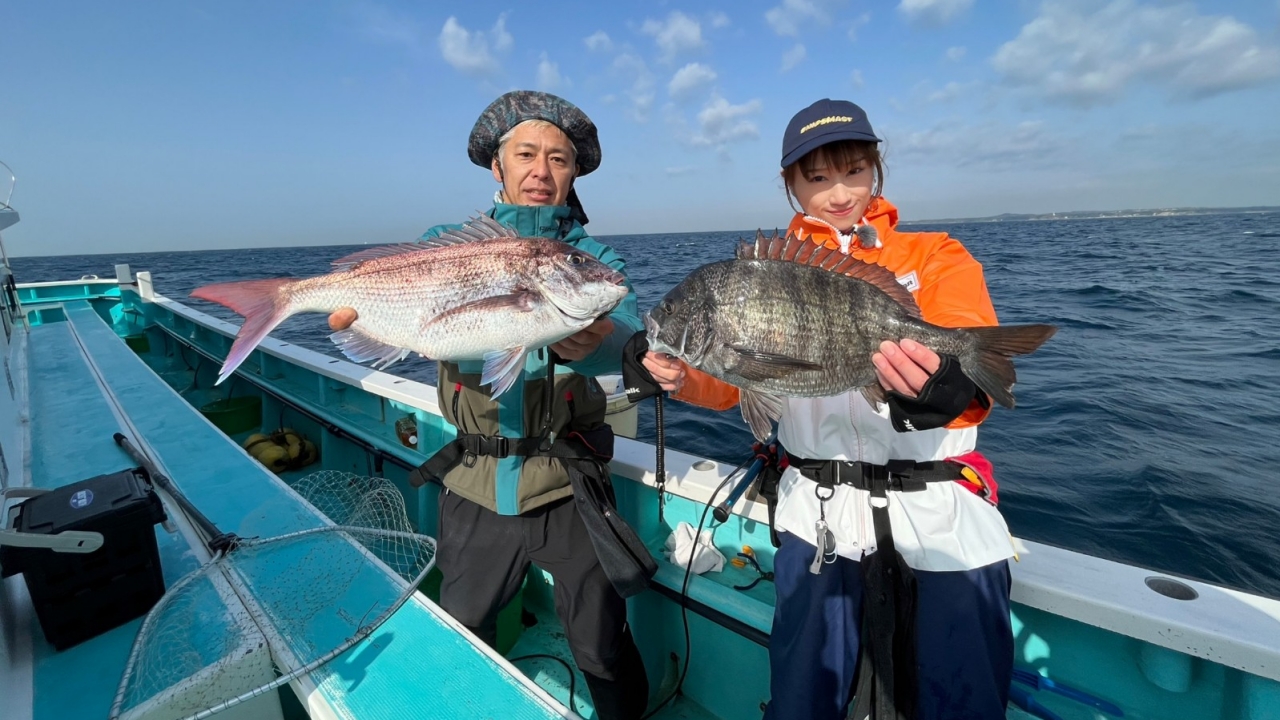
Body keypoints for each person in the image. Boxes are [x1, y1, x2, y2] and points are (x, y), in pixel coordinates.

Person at [643, 99, 1016, 719]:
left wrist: (944, 392)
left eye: (852, 171)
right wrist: (679, 377)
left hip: (941, 519)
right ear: (789, 184)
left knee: (960, 701)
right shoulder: (761, 270)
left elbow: (972, 394)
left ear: (876, 170)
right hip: (817, 521)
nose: (837, 192)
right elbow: (743, 385)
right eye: (815, 178)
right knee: (803, 701)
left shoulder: (936, 257)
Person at [329, 91, 649, 719]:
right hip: (474, 484)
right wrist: (364, 325)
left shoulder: (593, 260)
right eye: (526, 154)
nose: (542, 170)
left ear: (574, 174)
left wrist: (594, 343)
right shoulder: (446, 245)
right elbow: (407, 316)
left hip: (569, 483)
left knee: (601, 643)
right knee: (463, 628)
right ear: (496, 167)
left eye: (559, 159)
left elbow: (629, 339)